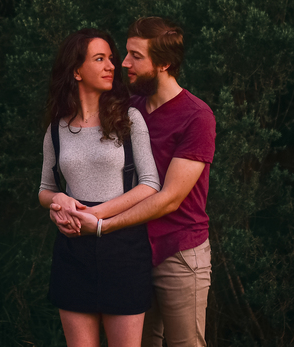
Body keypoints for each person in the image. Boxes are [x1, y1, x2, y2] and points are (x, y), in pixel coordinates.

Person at [56, 17, 216, 347]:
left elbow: (169, 198)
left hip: (179, 253)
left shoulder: (196, 116)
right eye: (124, 53)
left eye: (135, 56)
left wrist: (101, 223)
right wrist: (61, 204)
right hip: (133, 252)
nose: (123, 63)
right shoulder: (128, 108)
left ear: (165, 63)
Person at [38, 28, 162, 347]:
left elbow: (150, 184)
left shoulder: (129, 118)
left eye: (111, 58)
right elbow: (45, 189)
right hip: (72, 252)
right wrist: (60, 202)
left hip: (123, 250)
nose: (111, 65)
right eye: (99, 58)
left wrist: (97, 218)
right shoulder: (57, 128)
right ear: (77, 71)